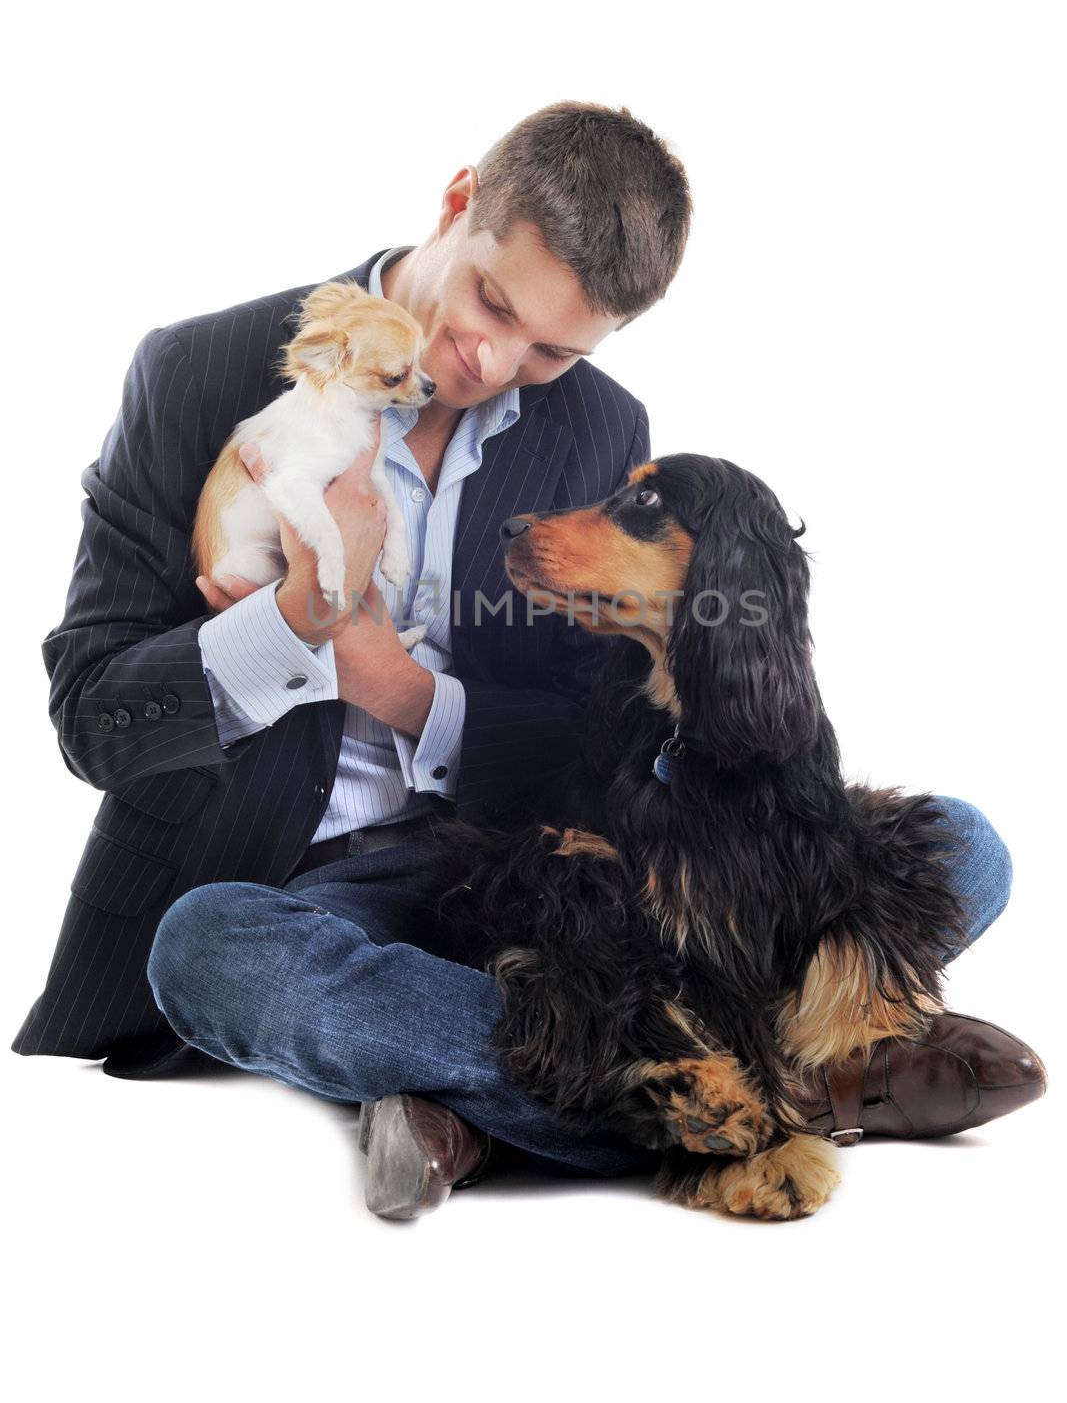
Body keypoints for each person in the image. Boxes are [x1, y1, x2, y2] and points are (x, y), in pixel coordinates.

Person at [13, 101, 1044, 1221]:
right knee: (211, 950)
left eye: (553, 349)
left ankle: (475, 1109)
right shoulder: (194, 372)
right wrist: (297, 624)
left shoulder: (598, 425)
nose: (495, 360)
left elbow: (584, 726)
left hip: (542, 886)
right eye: (490, 303)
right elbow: (93, 722)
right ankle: (773, 1086)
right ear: (459, 200)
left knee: (962, 848)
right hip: (292, 892)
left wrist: (397, 688)